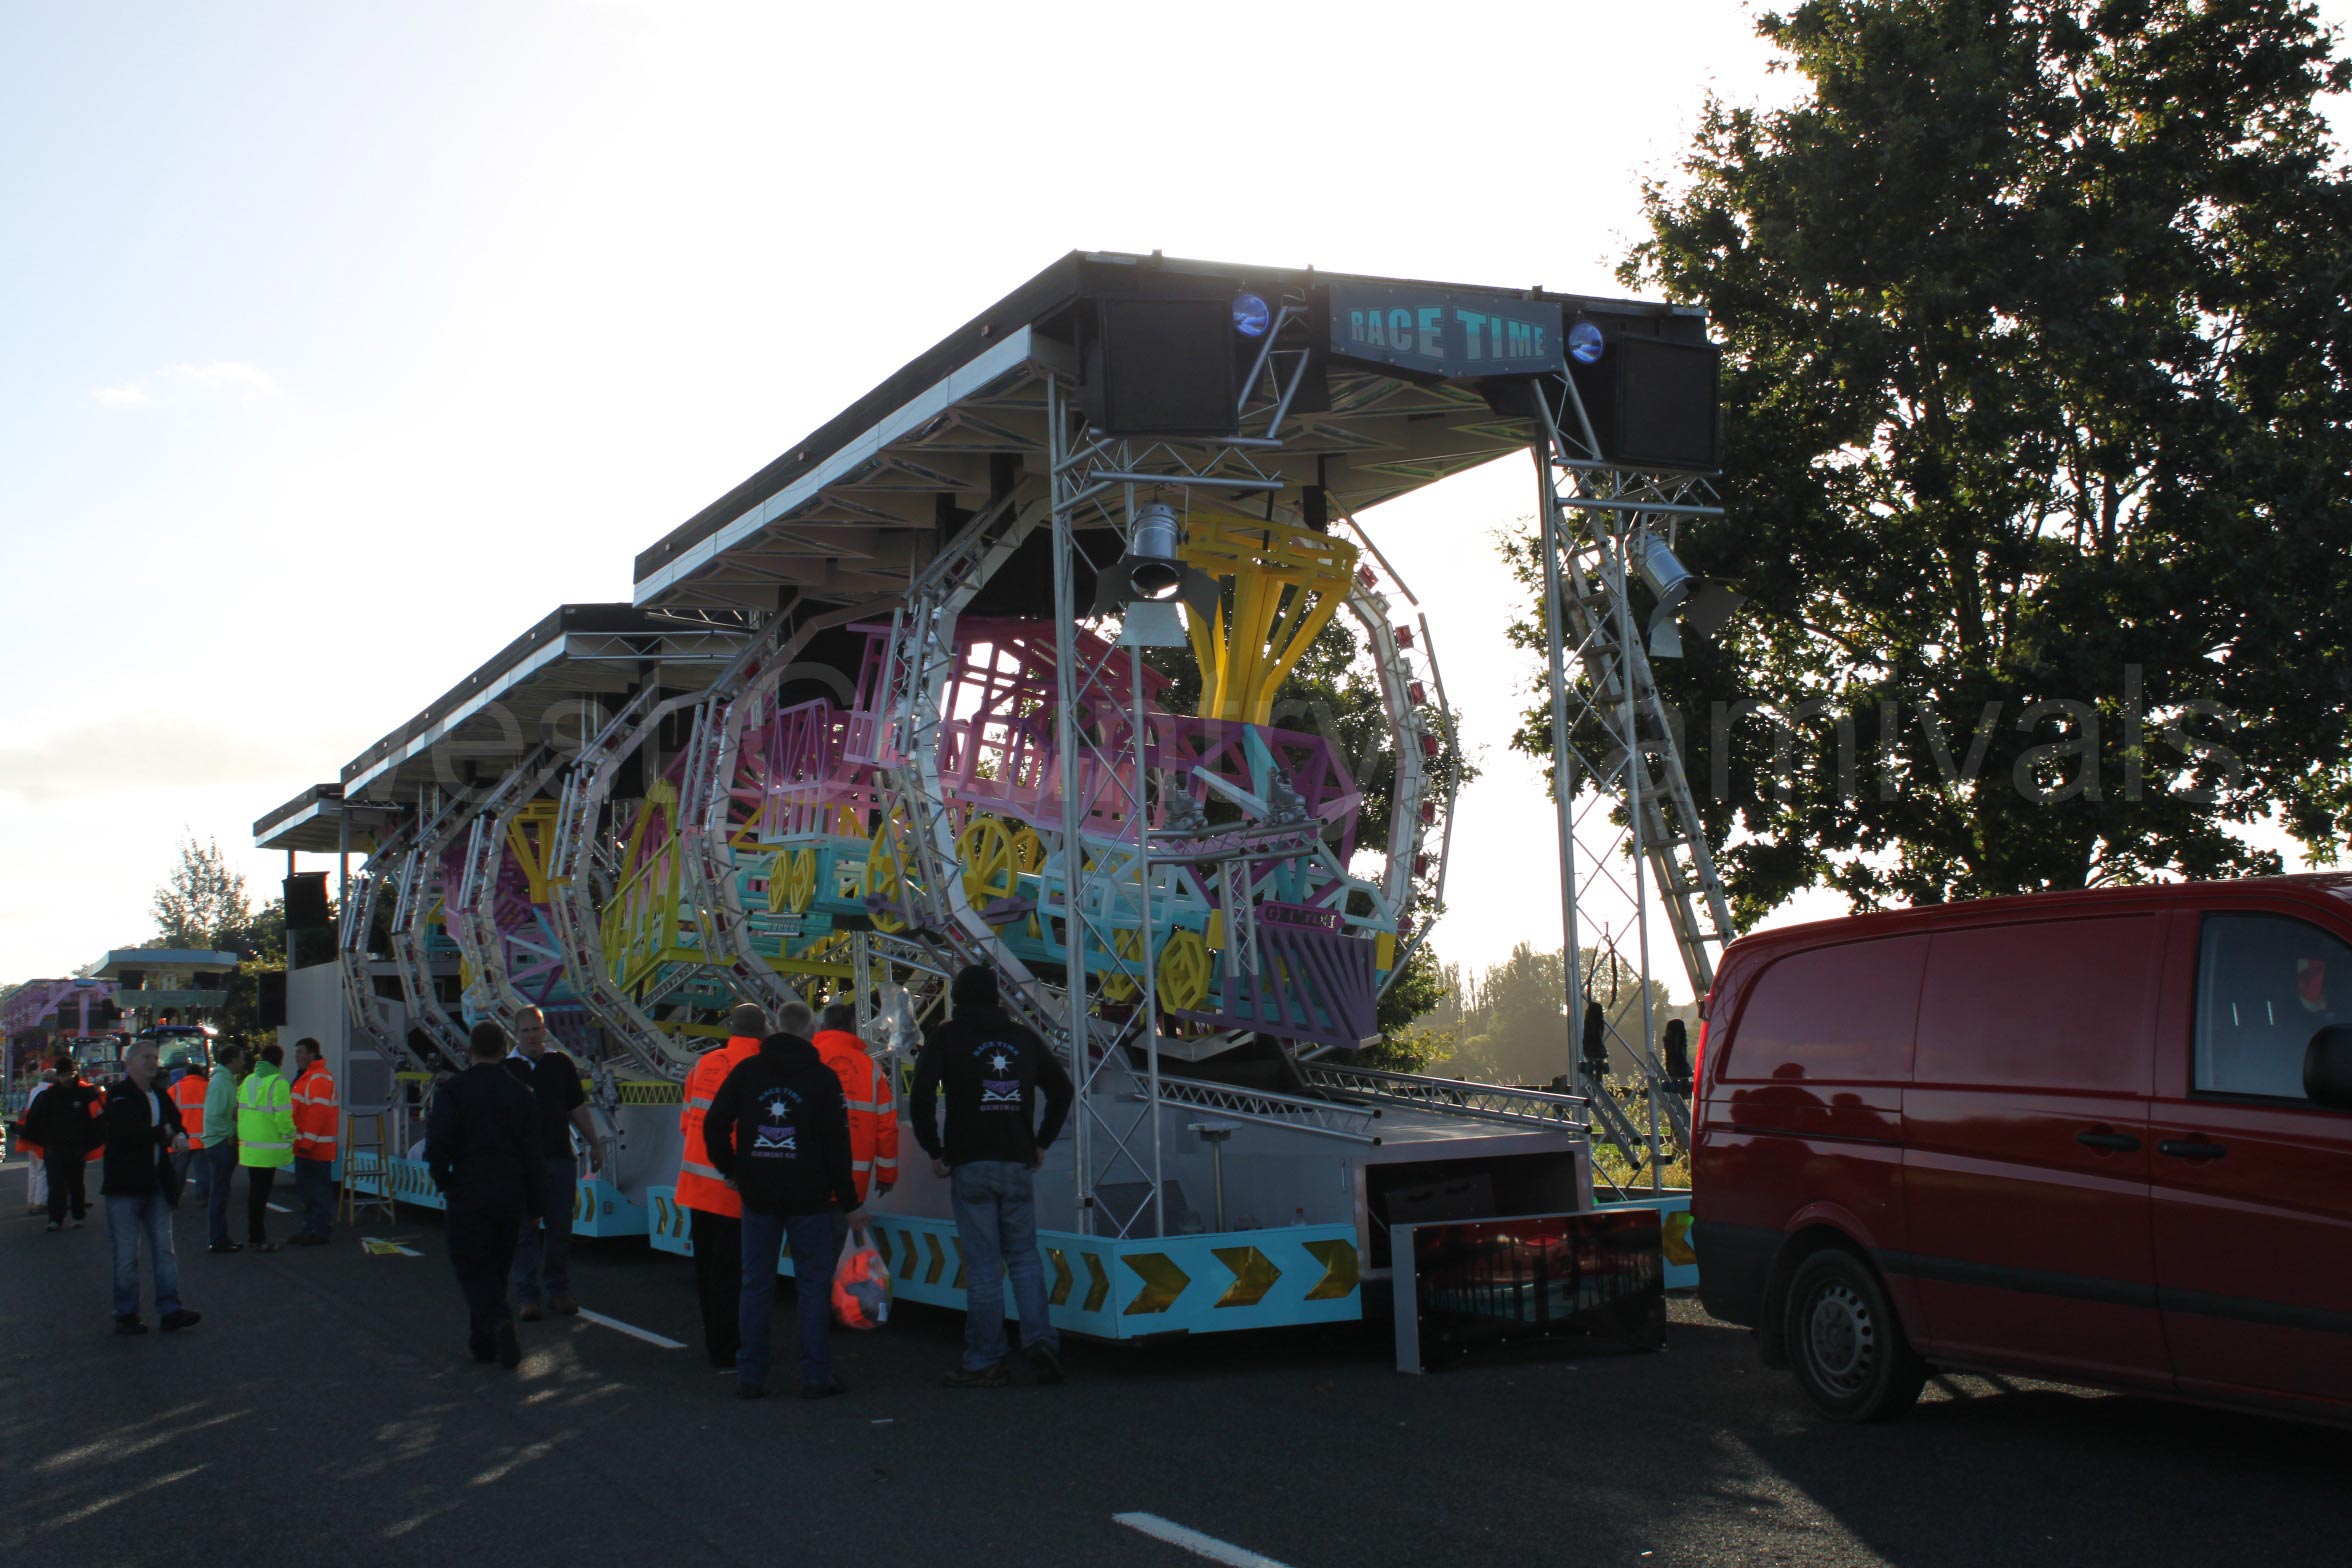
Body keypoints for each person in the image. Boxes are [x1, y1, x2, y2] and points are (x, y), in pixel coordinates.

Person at [912, 965, 1073, 1388]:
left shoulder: (947, 1037)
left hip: (969, 1160)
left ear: (957, 998)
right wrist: (1042, 1141)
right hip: (1017, 1158)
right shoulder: (1022, 1038)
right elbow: (1062, 1089)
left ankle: (985, 1359)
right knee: (1024, 1257)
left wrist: (934, 1148)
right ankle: (1040, 1341)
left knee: (984, 1266)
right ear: (997, 997)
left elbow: (922, 1093)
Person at [705, 999, 863, 1401]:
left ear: (775, 1028)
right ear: (810, 1031)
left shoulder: (748, 1071)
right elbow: (837, 1145)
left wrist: (733, 1169)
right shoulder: (822, 1078)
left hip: (758, 1192)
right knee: (812, 1286)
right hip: (809, 1196)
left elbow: (715, 1122)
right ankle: (816, 1374)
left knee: (756, 1284)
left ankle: (750, 1375)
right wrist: (849, 1201)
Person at [427, 1020, 543, 1368]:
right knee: (496, 1267)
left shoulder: (454, 1091)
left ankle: (497, 1322)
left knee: (472, 1266)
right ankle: (483, 1342)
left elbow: (439, 1142)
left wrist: (443, 1179)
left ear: (470, 1051)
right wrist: (535, 1205)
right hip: (509, 1190)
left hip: (469, 1187)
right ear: (503, 1049)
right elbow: (533, 1155)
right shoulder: (522, 1094)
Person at [675, 1002, 765, 1372]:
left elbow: (686, 1123)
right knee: (735, 1275)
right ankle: (732, 1346)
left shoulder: (704, 1064)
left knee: (708, 1272)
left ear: (731, 1030)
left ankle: (716, 1345)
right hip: (732, 1186)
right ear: (763, 1033)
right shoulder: (759, 1068)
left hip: (697, 1184)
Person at [504, 1007, 603, 1319]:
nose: (532, 1036)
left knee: (560, 1228)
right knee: (525, 1231)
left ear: (544, 1029)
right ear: (516, 1034)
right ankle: (527, 1297)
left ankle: (558, 1291)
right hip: (522, 1165)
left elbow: (576, 1107)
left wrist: (594, 1143)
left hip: (559, 1158)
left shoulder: (560, 1063)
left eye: (536, 1029)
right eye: (525, 1031)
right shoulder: (506, 1070)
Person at [98, 1037, 201, 1336]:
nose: (153, 1062)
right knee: (127, 1255)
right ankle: (126, 1314)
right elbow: (126, 1131)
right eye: (146, 1057)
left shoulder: (160, 1094)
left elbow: (176, 1124)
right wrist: (162, 1133)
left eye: (155, 1057)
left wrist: (178, 1134)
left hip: (157, 1185)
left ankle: (170, 1310)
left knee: (164, 1250)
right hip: (125, 1187)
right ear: (129, 1062)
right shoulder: (119, 1095)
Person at [813, 1001, 899, 1204]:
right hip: (854, 1180)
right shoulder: (870, 1068)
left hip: (808, 1176)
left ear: (823, 1027)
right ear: (853, 1028)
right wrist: (886, 1174)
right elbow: (886, 1126)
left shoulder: (806, 1060)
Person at [25, 1053, 103, 1230]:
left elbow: (97, 1118)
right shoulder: (48, 1095)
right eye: (64, 1074)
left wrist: (91, 1141)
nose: (67, 1078)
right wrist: (40, 1142)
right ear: (58, 1075)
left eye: (70, 1074)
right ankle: (55, 1219)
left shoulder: (85, 1093)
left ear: (75, 1073)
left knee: (76, 1184)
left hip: (77, 1147)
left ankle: (78, 1216)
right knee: (56, 1184)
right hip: (54, 1148)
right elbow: (35, 1120)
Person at [235, 1043, 296, 1252]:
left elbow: (240, 1110)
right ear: (279, 1061)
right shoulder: (278, 1082)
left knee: (255, 1194)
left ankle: (255, 1236)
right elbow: (283, 1117)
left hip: (250, 1146)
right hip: (268, 1147)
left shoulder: (248, 1080)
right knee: (261, 1194)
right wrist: (291, 1134)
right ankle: (258, 1238)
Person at [288, 1038, 339, 1246]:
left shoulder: (318, 1078)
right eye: (296, 1052)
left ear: (312, 1054)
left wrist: (306, 1143)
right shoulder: (307, 1077)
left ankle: (318, 1231)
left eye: (300, 1052)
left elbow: (317, 1114)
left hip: (314, 1148)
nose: (296, 1056)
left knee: (317, 1192)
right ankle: (310, 1229)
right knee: (308, 1192)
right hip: (306, 1146)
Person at [201, 1043, 246, 1253]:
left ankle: (220, 1237)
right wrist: (231, 1131)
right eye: (241, 1058)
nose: (243, 1062)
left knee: (221, 1193)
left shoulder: (225, 1080)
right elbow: (214, 1116)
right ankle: (218, 1239)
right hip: (221, 1143)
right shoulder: (221, 1082)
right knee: (219, 1194)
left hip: (221, 1141)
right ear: (232, 1059)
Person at [167, 1055, 210, 1200]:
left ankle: (174, 1197)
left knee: (178, 1171)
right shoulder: (208, 1087)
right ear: (201, 1074)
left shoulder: (175, 1089)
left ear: (186, 1074)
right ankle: (203, 1197)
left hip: (182, 1139)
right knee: (203, 1171)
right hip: (203, 1138)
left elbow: (166, 1114)